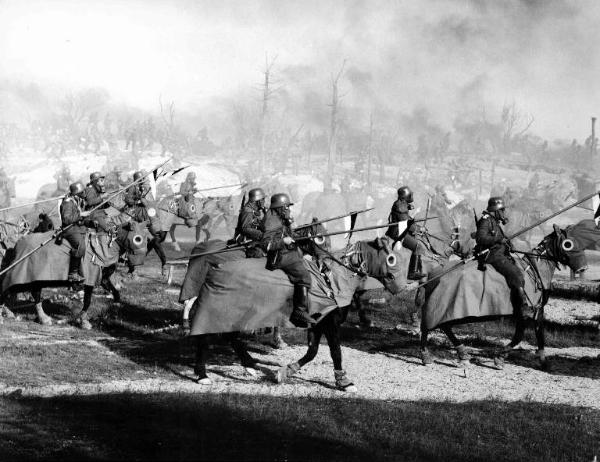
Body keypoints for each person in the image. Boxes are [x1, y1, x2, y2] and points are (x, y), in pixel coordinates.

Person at [261, 193, 315, 328]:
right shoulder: (271, 220)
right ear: (280, 207)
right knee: (304, 277)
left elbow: (289, 234)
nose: (288, 210)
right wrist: (283, 241)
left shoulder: (279, 217)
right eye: (286, 207)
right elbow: (266, 244)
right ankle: (299, 312)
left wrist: (303, 235)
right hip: (280, 256)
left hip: (287, 252)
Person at [475, 197, 528, 315]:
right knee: (516, 275)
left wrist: (509, 244)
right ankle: (522, 307)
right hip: (493, 256)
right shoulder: (486, 220)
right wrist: (498, 239)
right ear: (496, 210)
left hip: (500, 253)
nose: (504, 213)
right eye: (502, 210)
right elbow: (480, 238)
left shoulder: (494, 221)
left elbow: (501, 238)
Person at [59, 182, 87, 282]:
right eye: (81, 192)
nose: (83, 193)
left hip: (76, 227)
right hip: (69, 230)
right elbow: (66, 219)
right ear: (76, 193)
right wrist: (81, 215)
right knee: (81, 245)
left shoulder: (76, 201)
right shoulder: (67, 202)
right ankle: (73, 273)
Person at [233, 187, 267, 257]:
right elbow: (245, 228)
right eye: (263, 199)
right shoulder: (248, 211)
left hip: (252, 235)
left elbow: (258, 224)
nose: (264, 201)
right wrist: (261, 234)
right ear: (257, 200)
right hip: (244, 238)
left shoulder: (255, 210)